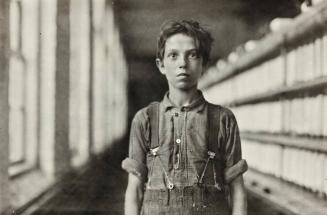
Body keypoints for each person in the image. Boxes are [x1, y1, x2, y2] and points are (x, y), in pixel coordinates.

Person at [122, 20, 247, 215]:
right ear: (161, 65)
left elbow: (237, 189)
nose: (182, 63)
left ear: (204, 64)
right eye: (173, 55)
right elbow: (135, 190)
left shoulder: (223, 119)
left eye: (193, 55)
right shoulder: (145, 119)